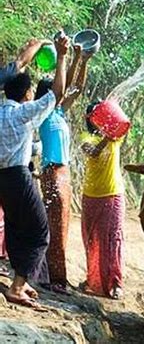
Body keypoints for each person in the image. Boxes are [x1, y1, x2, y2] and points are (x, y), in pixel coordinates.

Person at [0, 34, 69, 309]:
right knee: (40, 231)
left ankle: (20, 280)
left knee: (16, 226)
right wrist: (62, 56)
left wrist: (26, 52)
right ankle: (17, 287)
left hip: (2, 178)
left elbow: (16, 66)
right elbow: (57, 94)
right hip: (18, 176)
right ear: (28, 94)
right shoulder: (24, 113)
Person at [35, 45, 92, 293]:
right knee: (55, 225)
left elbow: (76, 88)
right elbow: (65, 86)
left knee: (62, 225)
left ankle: (55, 275)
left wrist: (84, 59)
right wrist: (70, 57)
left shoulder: (57, 112)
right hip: (52, 171)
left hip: (63, 172)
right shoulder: (44, 111)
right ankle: (55, 279)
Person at [80, 102, 125, 300]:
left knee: (113, 239)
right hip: (91, 194)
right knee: (92, 239)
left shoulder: (115, 135)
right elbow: (93, 151)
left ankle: (115, 283)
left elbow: (122, 124)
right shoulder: (86, 138)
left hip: (112, 193)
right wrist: (107, 137)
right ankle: (94, 280)